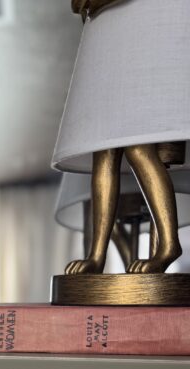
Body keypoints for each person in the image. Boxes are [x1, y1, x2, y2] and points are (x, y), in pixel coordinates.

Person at [53, 0, 190, 274]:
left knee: (139, 149)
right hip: (109, 45)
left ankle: (168, 244)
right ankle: (96, 256)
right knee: (102, 153)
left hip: (144, 39)